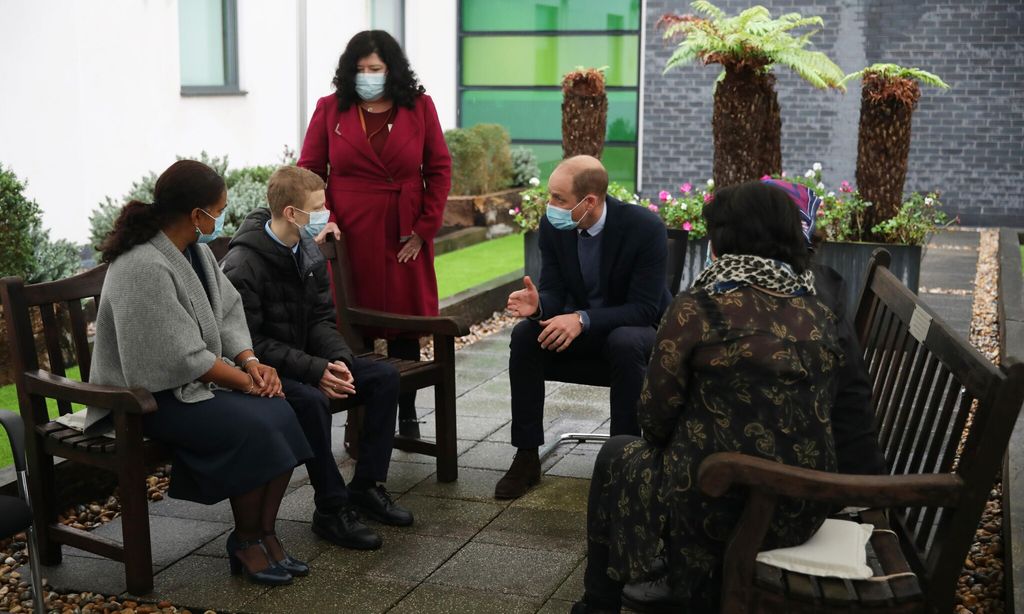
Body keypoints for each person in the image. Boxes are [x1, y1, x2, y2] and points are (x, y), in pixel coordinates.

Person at [572, 181, 844, 613]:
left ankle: (598, 606)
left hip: (713, 503)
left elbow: (654, 415)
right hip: (801, 506)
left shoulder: (699, 307)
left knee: (616, 455)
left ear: (726, 240)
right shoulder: (817, 310)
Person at [89, 160, 313, 586]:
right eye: (219, 209)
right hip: (147, 398)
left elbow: (228, 312)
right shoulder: (142, 265)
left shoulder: (194, 251)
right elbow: (177, 357)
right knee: (255, 426)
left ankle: (263, 533)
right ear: (197, 214)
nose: (221, 217)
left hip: (191, 385)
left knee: (284, 411)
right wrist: (247, 382)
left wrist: (251, 362)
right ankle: (245, 541)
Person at [220, 165, 413, 552]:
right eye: (319, 207)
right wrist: (315, 370)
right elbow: (250, 342)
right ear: (291, 213)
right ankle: (330, 508)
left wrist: (337, 360)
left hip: (308, 362)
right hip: (264, 373)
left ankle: (366, 487)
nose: (326, 213)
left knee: (380, 377)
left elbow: (323, 319)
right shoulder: (243, 265)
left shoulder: (307, 249)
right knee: (311, 402)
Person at [298, 29, 452, 440]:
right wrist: (323, 217)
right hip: (349, 234)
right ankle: (358, 416)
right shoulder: (330, 109)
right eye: (360, 69)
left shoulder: (420, 107)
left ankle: (407, 414)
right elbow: (310, 170)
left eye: (375, 68)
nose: (367, 75)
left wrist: (423, 229)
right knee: (351, 326)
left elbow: (438, 169)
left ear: (392, 70)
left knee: (405, 325)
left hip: (404, 232)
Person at [497, 155, 672, 500]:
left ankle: (622, 464)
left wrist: (581, 319)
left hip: (636, 333)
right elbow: (554, 290)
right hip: (584, 334)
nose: (551, 207)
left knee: (623, 341)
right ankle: (527, 456)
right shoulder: (554, 227)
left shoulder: (643, 227)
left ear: (588, 201)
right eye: (549, 196)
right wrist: (539, 306)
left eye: (559, 199)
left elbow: (645, 308)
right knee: (524, 336)